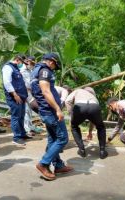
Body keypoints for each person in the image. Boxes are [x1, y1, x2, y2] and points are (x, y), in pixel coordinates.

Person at [31, 53, 73, 181]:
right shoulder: (44, 71)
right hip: (50, 111)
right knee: (63, 139)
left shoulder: (37, 70)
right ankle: (43, 164)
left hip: (46, 110)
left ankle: (58, 165)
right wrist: (57, 109)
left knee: (53, 138)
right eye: (55, 65)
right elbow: (46, 91)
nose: (54, 68)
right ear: (51, 61)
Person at [65, 87, 108, 159]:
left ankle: (81, 150)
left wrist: (71, 114)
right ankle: (102, 151)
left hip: (80, 107)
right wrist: (90, 131)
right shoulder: (94, 98)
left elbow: (67, 101)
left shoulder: (77, 90)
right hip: (94, 107)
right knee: (101, 127)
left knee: (74, 126)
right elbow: (93, 120)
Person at [2, 55, 31, 146]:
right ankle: (16, 137)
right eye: (22, 62)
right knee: (16, 117)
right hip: (14, 97)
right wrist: (14, 95)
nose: (22, 65)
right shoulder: (8, 67)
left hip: (21, 96)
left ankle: (22, 134)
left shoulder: (15, 68)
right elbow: (7, 82)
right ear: (17, 60)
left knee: (21, 115)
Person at [20, 56, 43, 136]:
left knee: (29, 111)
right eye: (31, 63)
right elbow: (25, 84)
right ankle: (27, 129)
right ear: (27, 61)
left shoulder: (30, 70)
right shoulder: (22, 71)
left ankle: (30, 127)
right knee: (26, 111)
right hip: (25, 92)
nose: (32, 65)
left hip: (31, 92)